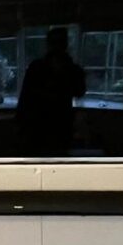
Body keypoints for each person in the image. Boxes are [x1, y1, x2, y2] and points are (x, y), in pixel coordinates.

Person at [16, 27, 85, 155]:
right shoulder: (37, 67)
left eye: (60, 42)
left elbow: (80, 91)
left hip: (58, 123)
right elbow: (25, 96)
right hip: (39, 124)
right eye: (55, 42)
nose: (57, 46)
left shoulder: (71, 69)